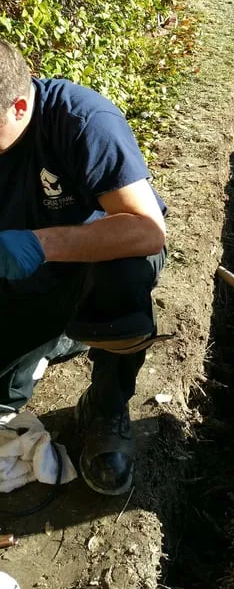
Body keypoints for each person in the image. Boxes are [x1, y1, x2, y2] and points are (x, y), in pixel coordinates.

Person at [0, 40, 167, 496]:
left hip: (90, 265)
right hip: (18, 275)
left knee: (127, 276)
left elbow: (147, 231)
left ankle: (106, 404)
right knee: (3, 396)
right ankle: (60, 336)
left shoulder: (82, 122)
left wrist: (40, 244)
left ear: (19, 106)